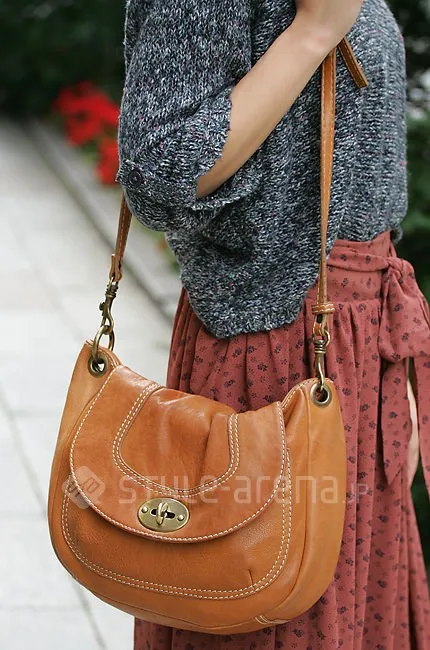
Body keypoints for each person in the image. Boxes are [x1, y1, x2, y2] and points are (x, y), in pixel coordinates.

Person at [116, 0, 430, 648]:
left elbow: (363, 173)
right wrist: (312, 33)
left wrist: (390, 363)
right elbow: (160, 170)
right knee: (268, 613)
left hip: (363, 352)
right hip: (273, 357)